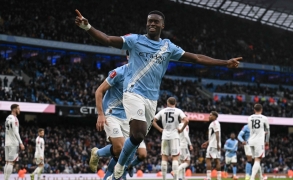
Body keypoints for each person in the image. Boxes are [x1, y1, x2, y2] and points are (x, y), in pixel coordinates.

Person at [75, 9, 241, 180]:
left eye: (156, 21)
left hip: (151, 99)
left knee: (136, 141)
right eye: (149, 21)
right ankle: (119, 168)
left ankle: (118, 167)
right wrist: (87, 27)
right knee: (138, 134)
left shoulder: (168, 47)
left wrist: (225, 62)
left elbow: (196, 58)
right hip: (133, 94)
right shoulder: (135, 41)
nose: (152, 24)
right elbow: (108, 39)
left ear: (162, 25)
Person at [90, 50, 147, 180]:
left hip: (127, 117)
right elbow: (99, 91)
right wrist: (100, 114)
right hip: (111, 113)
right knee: (120, 149)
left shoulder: (142, 77)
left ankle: (102, 164)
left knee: (123, 154)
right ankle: (97, 153)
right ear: (128, 57)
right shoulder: (119, 72)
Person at [152, 97, 189, 180]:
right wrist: (181, 129)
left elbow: (153, 121)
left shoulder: (162, 111)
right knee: (175, 158)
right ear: (175, 103)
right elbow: (186, 120)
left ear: (167, 103)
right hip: (175, 136)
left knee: (164, 158)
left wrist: (160, 129)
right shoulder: (178, 111)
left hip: (165, 136)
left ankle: (164, 178)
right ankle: (175, 179)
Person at [248, 104, 270, 180]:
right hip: (259, 141)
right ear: (261, 110)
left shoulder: (249, 118)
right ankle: (252, 178)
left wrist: (262, 132)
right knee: (258, 160)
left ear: (254, 110)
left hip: (251, 140)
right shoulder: (264, 118)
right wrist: (267, 140)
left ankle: (261, 177)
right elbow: (268, 130)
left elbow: (252, 129)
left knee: (256, 160)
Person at [4, 104, 25, 180]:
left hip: (7, 142)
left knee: (7, 162)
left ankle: (4, 179)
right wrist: (21, 143)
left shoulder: (7, 118)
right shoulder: (15, 119)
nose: (19, 110)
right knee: (11, 163)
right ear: (14, 109)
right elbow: (16, 132)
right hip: (13, 143)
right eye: (18, 109)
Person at [201, 111, 221, 180]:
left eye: (211, 115)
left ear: (215, 117)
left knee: (208, 159)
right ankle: (219, 178)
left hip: (213, 145)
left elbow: (217, 133)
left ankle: (209, 177)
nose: (209, 116)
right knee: (217, 160)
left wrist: (217, 144)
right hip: (214, 144)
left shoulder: (214, 123)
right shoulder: (216, 123)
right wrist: (207, 142)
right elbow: (214, 135)